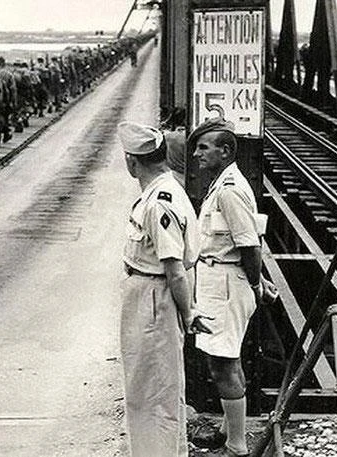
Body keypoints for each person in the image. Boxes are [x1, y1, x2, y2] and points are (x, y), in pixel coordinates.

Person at [118, 121, 211, 457]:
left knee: (152, 391)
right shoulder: (167, 189)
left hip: (154, 299)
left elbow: (174, 270)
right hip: (151, 296)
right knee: (155, 388)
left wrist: (188, 314)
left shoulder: (159, 202)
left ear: (132, 162)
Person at [189, 118, 267, 457]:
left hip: (225, 284)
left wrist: (255, 283)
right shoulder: (222, 183)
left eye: (204, 147)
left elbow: (249, 245)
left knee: (224, 364)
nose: (196, 154)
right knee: (221, 359)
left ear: (226, 150)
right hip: (218, 281)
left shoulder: (231, 190)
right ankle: (227, 428)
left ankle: (237, 445)